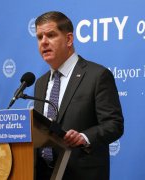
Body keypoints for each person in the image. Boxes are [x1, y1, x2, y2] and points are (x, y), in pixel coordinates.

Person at [33, 11, 124, 180]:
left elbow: (114, 124)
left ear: (69, 39)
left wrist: (84, 137)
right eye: (39, 37)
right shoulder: (40, 82)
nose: (43, 42)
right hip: (43, 174)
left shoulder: (97, 75)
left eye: (51, 35)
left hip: (81, 173)